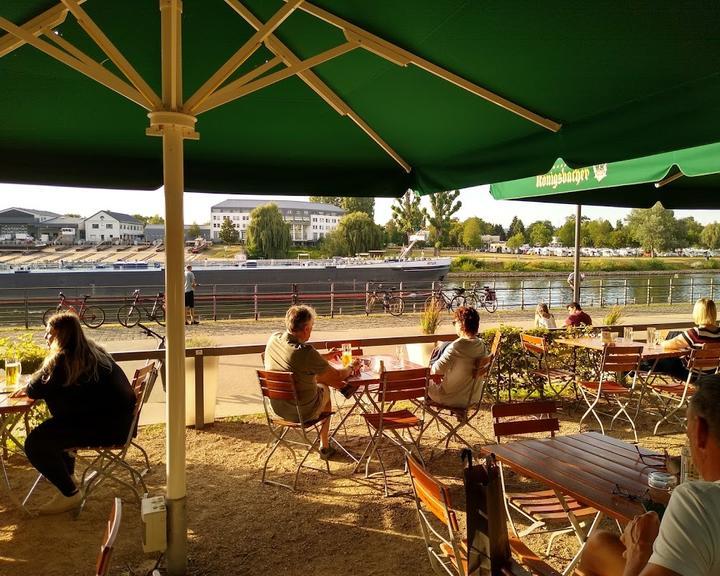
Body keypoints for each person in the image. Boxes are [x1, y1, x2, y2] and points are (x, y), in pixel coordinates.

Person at [578, 375, 720, 576]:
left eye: (688, 435)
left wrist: (640, 550)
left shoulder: (699, 502)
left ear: (700, 432)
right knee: (599, 544)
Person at [18, 312, 136, 515]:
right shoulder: (93, 352)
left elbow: (36, 389)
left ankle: (70, 494)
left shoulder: (63, 360)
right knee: (57, 427)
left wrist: (31, 382)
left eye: (49, 334)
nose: (46, 338)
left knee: (35, 443)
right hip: (119, 423)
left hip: (103, 428)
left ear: (60, 337)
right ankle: (68, 476)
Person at [264, 305, 359, 460]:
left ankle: (344, 388)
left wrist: (325, 357)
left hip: (277, 407)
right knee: (324, 387)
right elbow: (338, 375)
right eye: (312, 326)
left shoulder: (273, 339)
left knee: (312, 377)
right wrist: (351, 366)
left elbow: (299, 362)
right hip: (302, 412)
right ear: (307, 329)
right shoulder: (306, 352)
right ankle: (324, 445)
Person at [428, 307, 489, 408]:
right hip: (473, 398)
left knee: (420, 383)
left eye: (454, 322)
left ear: (461, 324)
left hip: (451, 398)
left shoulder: (457, 346)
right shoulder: (481, 345)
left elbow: (435, 370)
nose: (454, 325)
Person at [650, 298, 720, 381]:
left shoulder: (696, 333)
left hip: (692, 375)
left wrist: (661, 341)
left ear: (697, 313)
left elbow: (668, 345)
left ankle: (636, 367)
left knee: (658, 361)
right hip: (713, 374)